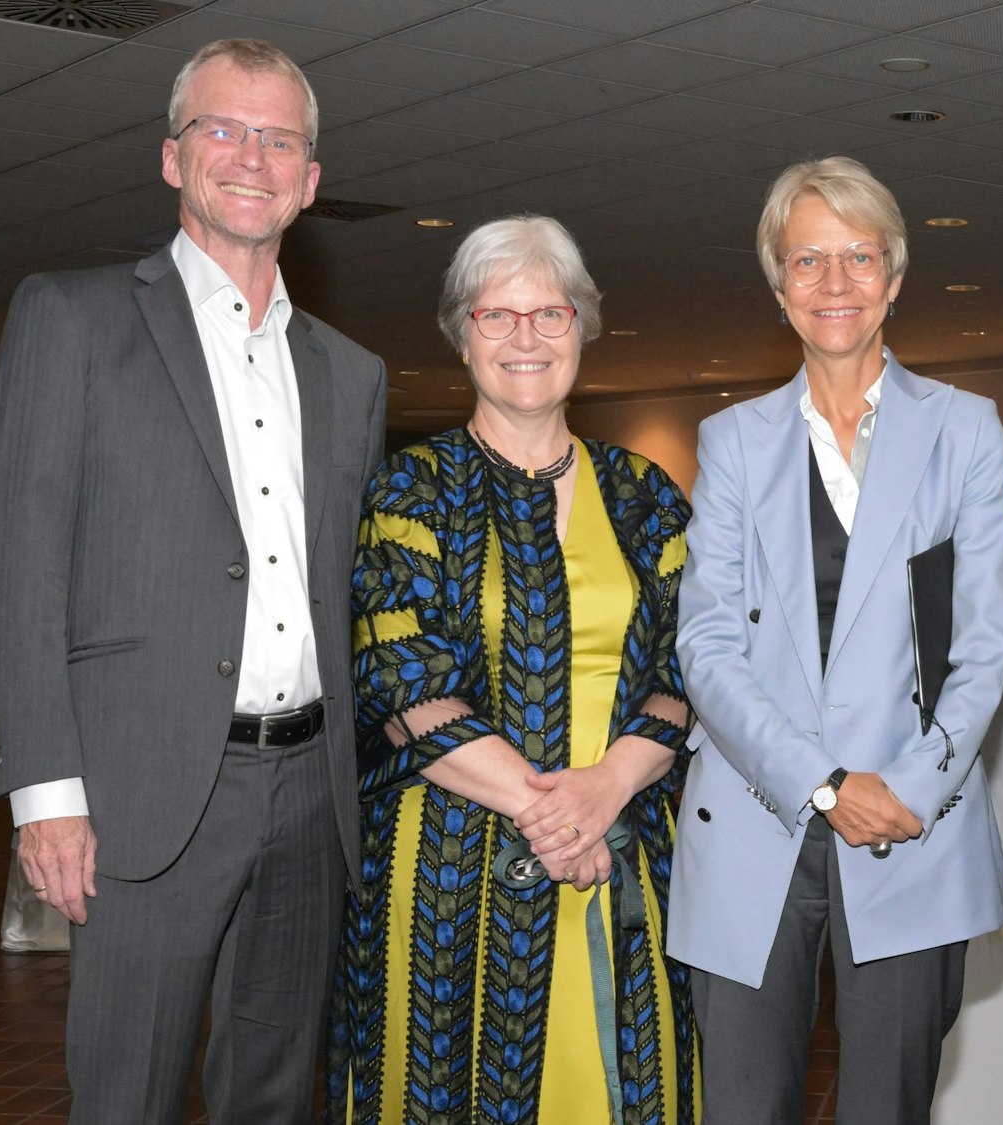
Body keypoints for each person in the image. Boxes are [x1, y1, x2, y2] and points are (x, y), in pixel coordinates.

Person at [0, 38, 386, 1123]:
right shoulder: (72, 318)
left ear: (308, 182)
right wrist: (46, 796)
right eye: (221, 128)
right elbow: (19, 573)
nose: (249, 156)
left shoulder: (350, 375)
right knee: (128, 1097)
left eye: (279, 139)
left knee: (274, 1093)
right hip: (138, 795)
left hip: (310, 796)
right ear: (172, 158)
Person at [326, 214, 699, 1125]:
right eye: (498, 316)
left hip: (621, 867)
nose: (526, 338)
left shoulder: (647, 493)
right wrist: (554, 812)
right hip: (450, 881)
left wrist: (606, 788)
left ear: (585, 328)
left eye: (551, 314)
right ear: (462, 334)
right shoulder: (409, 489)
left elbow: (693, 670)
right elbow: (407, 688)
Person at [672, 156, 1003, 1125]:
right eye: (808, 261)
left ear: (894, 278)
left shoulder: (965, 432)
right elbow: (704, 645)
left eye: (857, 258)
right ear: (778, 287)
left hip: (911, 824)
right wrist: (822, 782)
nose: (834, 284)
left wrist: (900, 789)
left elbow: (982, 645)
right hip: (754, 815)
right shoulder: (732, 442)